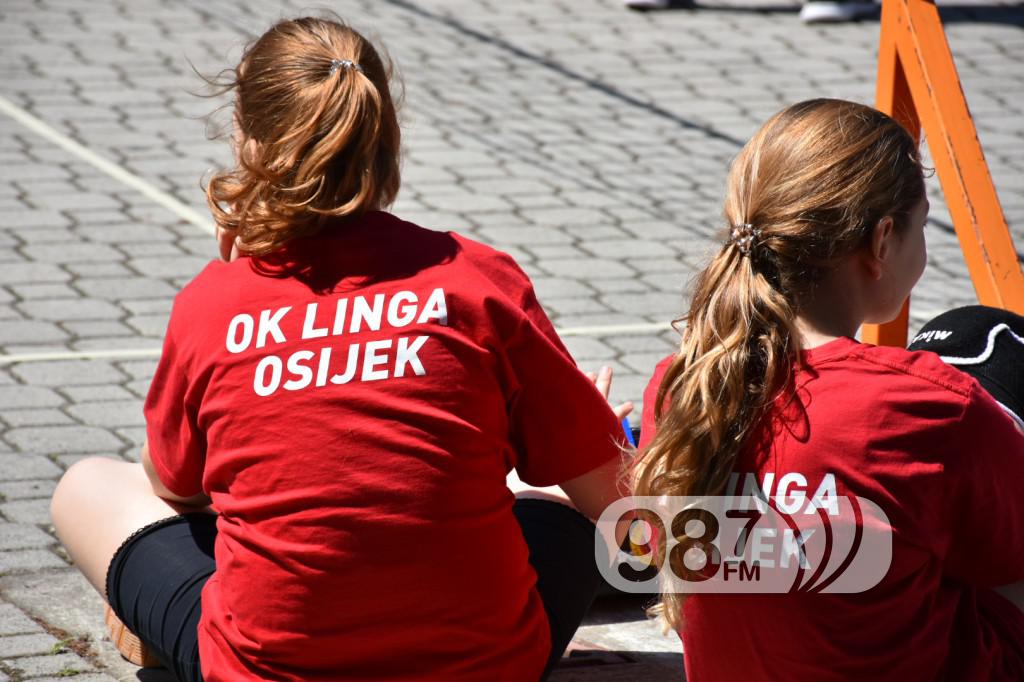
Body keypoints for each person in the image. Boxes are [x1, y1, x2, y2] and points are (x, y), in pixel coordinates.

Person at [50, 16, 629, 682]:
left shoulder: (214, 302)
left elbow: (171, 485)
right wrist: (584, 457)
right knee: (556, 522)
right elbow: (624, 504)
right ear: (384, 137)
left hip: (272, 667)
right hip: (484, 666)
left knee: (87, 486)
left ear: (248, 141)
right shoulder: (478, 279)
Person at [633, 98, 1024, 680]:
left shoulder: (681, 385)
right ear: (883, 240)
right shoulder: (928, 409)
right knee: (982, 338)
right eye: (921, 226)